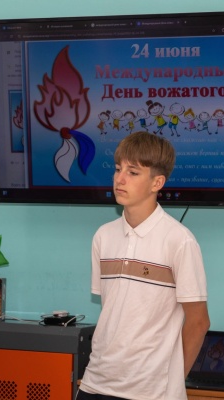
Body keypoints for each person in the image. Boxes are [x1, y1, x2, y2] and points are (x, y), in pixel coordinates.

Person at [77, 131, 210, 400]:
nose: (120, 179)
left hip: (152, 392)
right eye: (118, 169)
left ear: (157, 182)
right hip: (96, 383)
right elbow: (114, 312)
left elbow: (199, 322)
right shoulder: (103, 236)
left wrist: (173, 381)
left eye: (133, 172)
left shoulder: (179, 240)